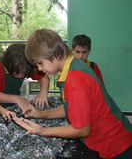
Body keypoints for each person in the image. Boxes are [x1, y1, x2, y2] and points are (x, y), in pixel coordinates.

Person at [14, 29, 132, 159]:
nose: (40, 69)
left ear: (56, 53)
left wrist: (43, 131)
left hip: (114, 146)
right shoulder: (74, 66)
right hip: (113, 139)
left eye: (40, 63)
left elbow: (82, 129)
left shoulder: (74, 80)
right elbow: (71, 107)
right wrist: (41, 114)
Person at [0, 44, 50, 109]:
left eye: (23, 73)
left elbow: (44, 78)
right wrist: (17, 99)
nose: (20, 75)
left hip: (12, 106)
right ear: (9, 66)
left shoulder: (26, 65)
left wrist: (43, 93)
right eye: (17, 72)